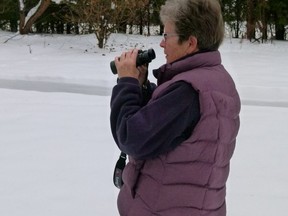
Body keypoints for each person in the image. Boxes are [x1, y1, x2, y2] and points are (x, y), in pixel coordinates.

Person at [110, 0, 241, 215]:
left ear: (190, 42)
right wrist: (142, 88)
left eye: (166, 36)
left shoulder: (186, 92)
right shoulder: (217, 80)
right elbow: (173, 131)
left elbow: (131, 138)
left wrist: (127, 84)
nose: (161, 44)